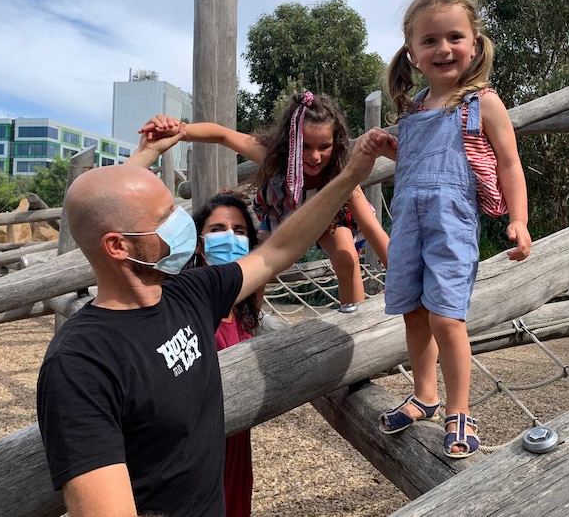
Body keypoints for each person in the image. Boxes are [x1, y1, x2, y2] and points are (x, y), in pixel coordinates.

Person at [36, 127, 390, 517]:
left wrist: (350, 175)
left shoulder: (190, 293)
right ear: (118, 246)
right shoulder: (80, 363)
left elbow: (279, 250)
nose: (181, 223)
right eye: (165, 217)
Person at [366, 0, 532, 459]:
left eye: (455, 36)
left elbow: (509, 164)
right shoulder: (415, 108)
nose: (444, 48)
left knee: (446, 315)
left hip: (452, 220)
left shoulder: (483, 102)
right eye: (430, 41)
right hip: (410, 224)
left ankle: (460, 407)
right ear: (413, 53)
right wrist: (390, 148)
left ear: (475, 43)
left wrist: (518, 219)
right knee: (414, 312)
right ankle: (426, 395)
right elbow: (418, 163)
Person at [139, 91, 389, 307]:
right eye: (304, 147)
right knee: (257, 265)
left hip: (330, 220)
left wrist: (400, 281)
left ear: (336, 144)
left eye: (324, 146)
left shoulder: (341, 174)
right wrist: (179, 130)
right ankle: (249, 320)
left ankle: (355, 317)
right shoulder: (274, 156)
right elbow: (221, 134)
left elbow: (373, 229)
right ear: (290, 142)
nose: (314, 157)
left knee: (347, 255)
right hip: (283, 217)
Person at [191, 191, 261, 517]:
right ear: (199, 243)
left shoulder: (245, 306)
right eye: (217, 229)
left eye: (240, 231)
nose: (230, 238)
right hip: (199, 448)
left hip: (237, 442)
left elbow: (281, 246)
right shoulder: (188, 303)